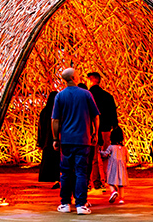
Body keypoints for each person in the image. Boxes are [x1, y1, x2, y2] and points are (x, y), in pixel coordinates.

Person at [52, 68, 100, 215]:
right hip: (83, 139)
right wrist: (95, 133)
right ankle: (81, 204)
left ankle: (65, 203)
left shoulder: (60, 96)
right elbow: (96, 116)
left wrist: (55, 138)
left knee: (65, 173)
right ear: (73, 77)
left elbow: (55, 120)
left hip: (66, 140)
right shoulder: (86, 94)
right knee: (81, 172)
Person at [87, 71, 118, 189]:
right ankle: (107, 179)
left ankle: (96, 181)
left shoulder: (88, 95)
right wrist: (114, 127)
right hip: (106, 130)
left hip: (93, 130)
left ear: (91, 80)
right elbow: (113, 115)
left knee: (94, 158)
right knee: (106, 156)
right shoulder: (108, 96)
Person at [99, 125, 128, 204]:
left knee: (110, 181)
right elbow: (127, 158)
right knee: (121, 184)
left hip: (112, 167)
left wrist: (100, 152)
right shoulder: (123, 148)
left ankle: (113, 191)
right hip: (121, 167)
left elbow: (105, 154)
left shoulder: (111, 147)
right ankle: (121, 198)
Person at [37, 91, 60, 188]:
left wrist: (40, 142)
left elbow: (41, 127)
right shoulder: (59, 111)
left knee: (50, 160)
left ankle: (52, 178)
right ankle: (57, 179)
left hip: (47, 140)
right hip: (58, 138)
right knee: (58, 160)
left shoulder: (44, 111)